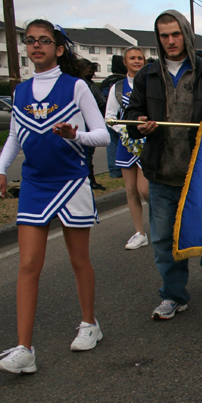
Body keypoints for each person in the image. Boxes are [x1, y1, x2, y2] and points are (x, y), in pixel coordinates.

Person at [0, 20, 110, 374]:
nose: (36, 46)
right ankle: (24, 348)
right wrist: (0, 171)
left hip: (70, 181)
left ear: (59, 49)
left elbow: (103, 135)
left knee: (79, 260)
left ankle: (89, 323)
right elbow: (15, 136)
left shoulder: (76, 87)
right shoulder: (20, 91)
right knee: (28, 264)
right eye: (30, 41)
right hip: (34, 183)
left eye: (44, 41)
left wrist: (75, 136)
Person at [124, 10, 202, 320]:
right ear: (158, 39)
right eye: (164, 36)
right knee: (163, 239)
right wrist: (139, 123)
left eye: (175, 34)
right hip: (162, 173)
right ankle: (174, 295)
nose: (170, 41)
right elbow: (132, 115)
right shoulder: (147, 75)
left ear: (186, 34)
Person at [105, 46, 150, 250]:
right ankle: (140, 232)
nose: (137, 61)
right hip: (126, 144)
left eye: (140, 58)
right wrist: (125, 130)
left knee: (145, 190)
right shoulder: (118, 88)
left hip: (148, 143)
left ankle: (163, 221)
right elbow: (110, 117)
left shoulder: (151, 83)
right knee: (131, 190)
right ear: (125, 62)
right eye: (132, 58)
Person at [78, 58, 107, 191]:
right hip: (87, 125)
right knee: (87, 155)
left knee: (85, 154)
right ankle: (90, 180)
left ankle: (88, 179)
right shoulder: (86, 86)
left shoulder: (81, 85)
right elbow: (101, 103)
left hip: (84, 125)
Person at [100, 54, 127, 178]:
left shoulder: (107, 81)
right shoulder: (118, 84)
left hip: (111, 117)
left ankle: (115, 171)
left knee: (113, 145)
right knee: (115, 145)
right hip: (116, 118)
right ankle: (115, 171)